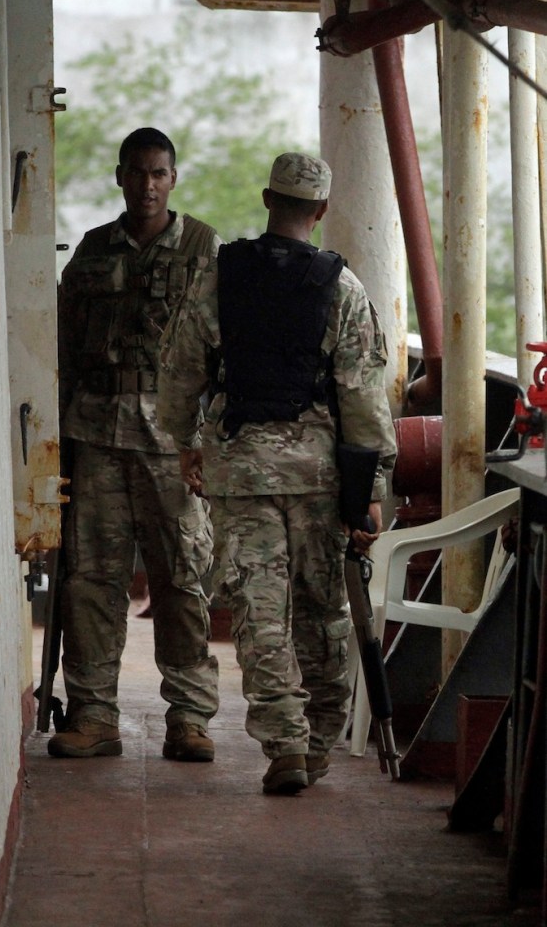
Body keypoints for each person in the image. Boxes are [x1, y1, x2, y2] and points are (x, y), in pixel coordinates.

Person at [157, 152, 397, 794]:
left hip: (241, 472)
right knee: (323, 611)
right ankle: (318, 737)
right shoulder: (341, 287)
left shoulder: (218, 276)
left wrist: (186, 444)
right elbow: (364, 400)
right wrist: (369, 493)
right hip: (320, 476)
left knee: (260, 611)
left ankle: (285, 744)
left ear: (268, 200)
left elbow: (180, 371)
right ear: (320, 211)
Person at [50, 127, 220, 761]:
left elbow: (225, 354)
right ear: (119, 176)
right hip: (95, 434)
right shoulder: (92, 252)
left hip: (173, 444)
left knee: (181, 577)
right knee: (92, 579)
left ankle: (190, 717)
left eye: (159, 173)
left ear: (173, 179)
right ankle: (94, 714)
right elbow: (61, 342)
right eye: (137, 173)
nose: (147, 185)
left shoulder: (205, 250)